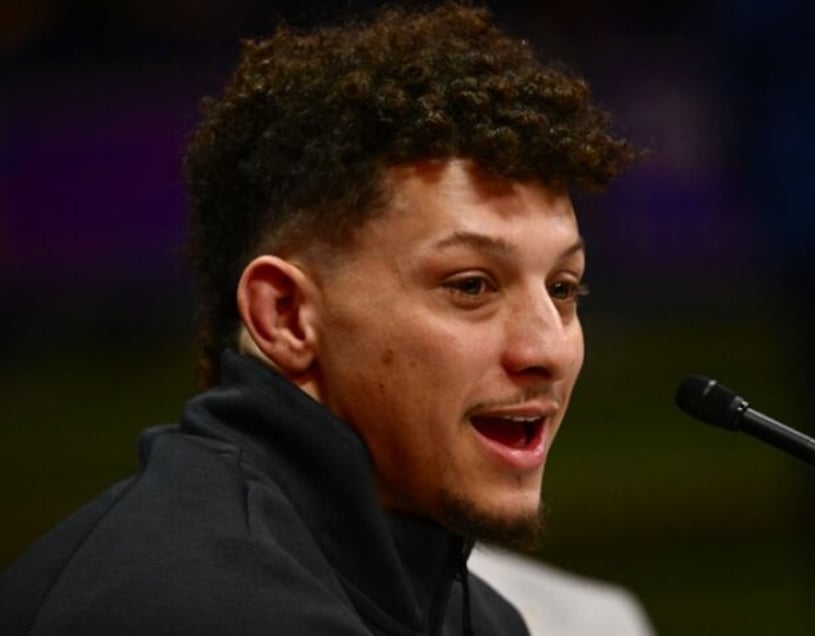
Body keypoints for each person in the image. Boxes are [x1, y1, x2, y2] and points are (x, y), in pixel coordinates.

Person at [0, 3, 639, 634]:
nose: (547, 349)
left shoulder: (476, 615)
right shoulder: (195, 607)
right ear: (285, 315)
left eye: (563, 288)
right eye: (470, 286)